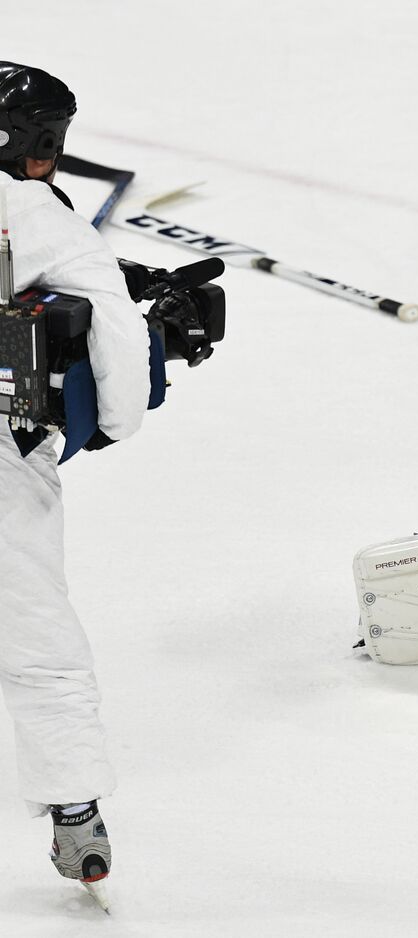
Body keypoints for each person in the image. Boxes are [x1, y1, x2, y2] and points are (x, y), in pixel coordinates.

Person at [0, 61, 150, 901]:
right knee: (35, 635)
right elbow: (119, 342)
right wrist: (119, 418)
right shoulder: (28, 209)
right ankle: (74, 815)